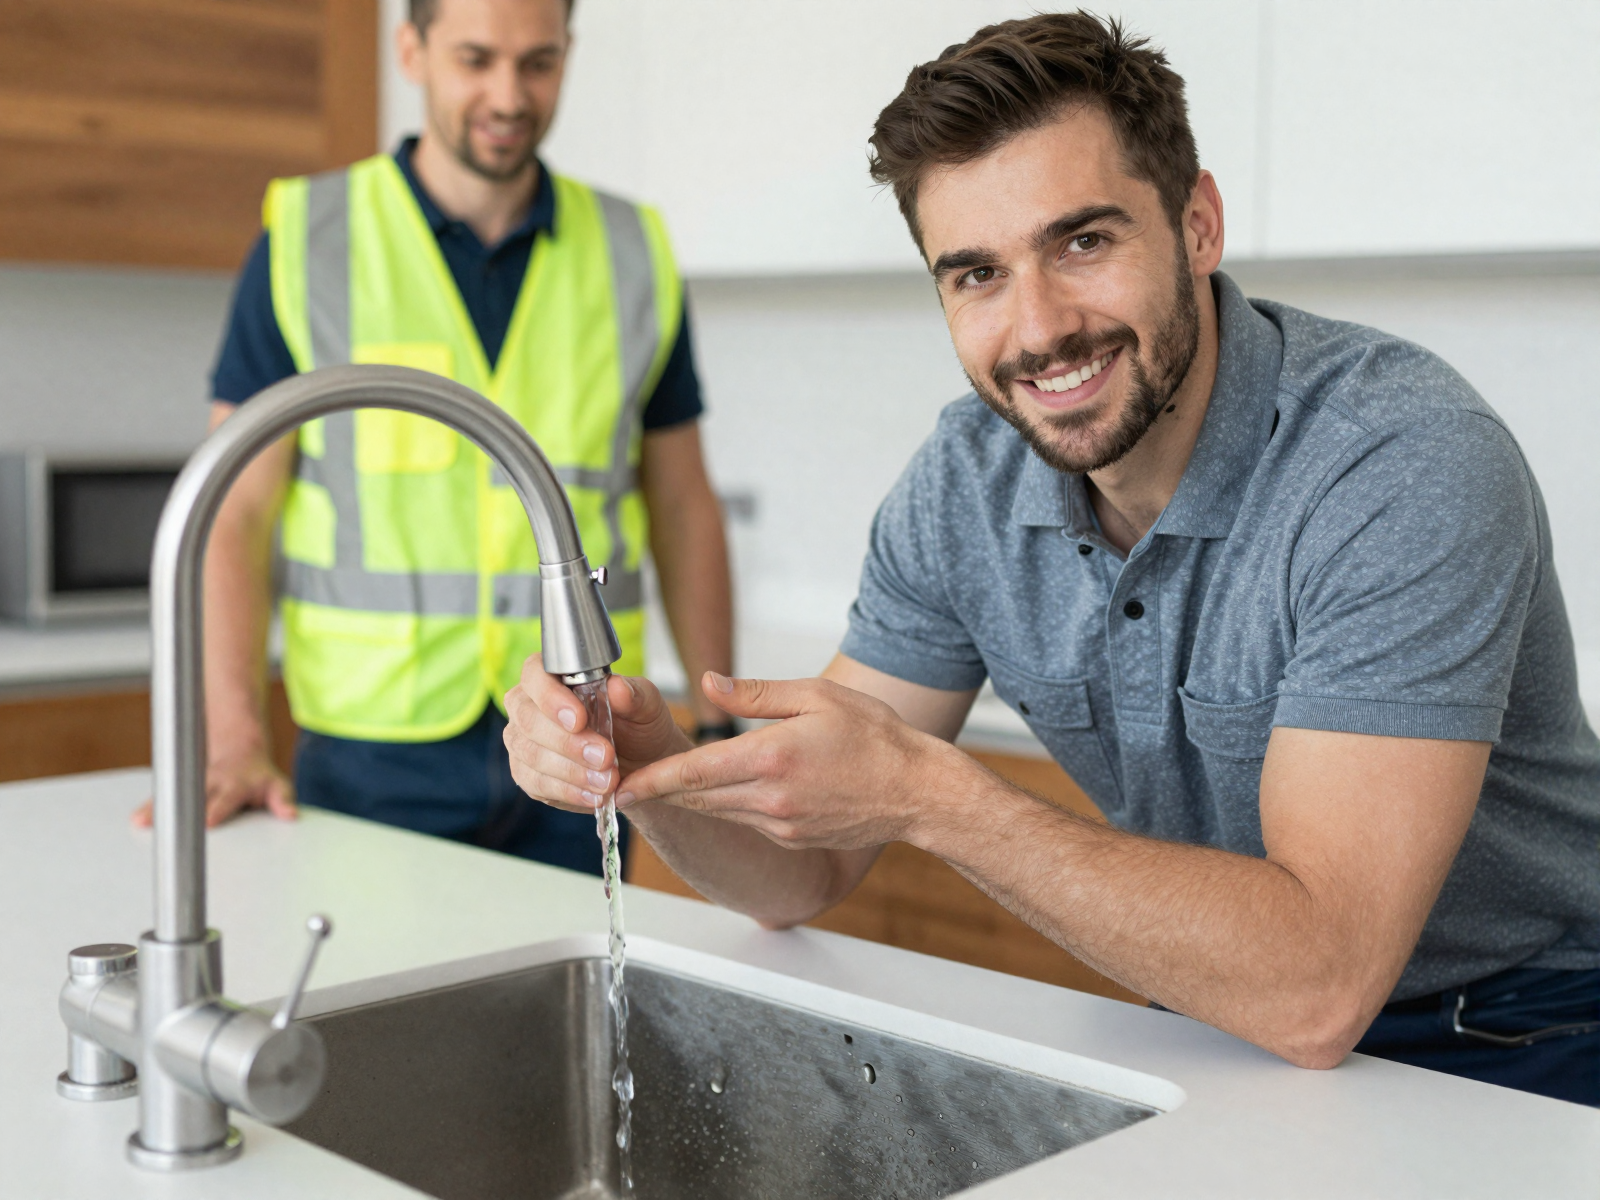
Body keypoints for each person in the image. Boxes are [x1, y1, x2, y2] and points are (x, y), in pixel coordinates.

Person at [504, 12, 1600, 1102]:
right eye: (975, 274)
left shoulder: (1397, 464)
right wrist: (641, 760)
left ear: (1198, 224)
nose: (1037, 328)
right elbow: (802, 871)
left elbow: (1319, 984)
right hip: (1215, 1017)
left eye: (1082, 241)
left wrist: (935, 798)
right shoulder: (963, 488)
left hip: (1515, 1036)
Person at [134, 0, 735, 878]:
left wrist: (716, 722)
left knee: (563, 1004)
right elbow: (234, 512)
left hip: (582, 735)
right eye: (476, 59)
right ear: (411, 51)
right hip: (373, 752)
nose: (508, 94)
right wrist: (234, 739)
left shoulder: (631, 250)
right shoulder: (310, 240)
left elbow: (682, 503)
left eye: (537, 62)